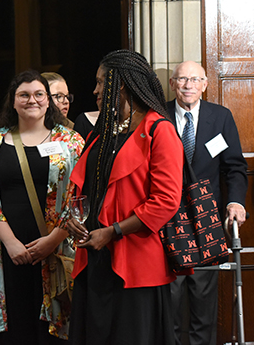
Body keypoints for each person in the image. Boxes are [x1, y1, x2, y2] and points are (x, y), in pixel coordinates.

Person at [66, 49, 184, 345]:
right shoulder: (101, 132)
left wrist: (113, 231)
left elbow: (166, 201)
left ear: (120, 84)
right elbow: (86, 185)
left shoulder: (159, 129)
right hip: (93, 256)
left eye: (101, 82)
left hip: (135, 262)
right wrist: (73, 218)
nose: (95, 91)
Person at [0, 70, 84, 344]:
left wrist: (52, 240)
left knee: (57, 333)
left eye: (38, 94)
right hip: (9, 255)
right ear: (13, 100)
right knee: (16, 332)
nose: (32, 100)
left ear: (48, 101)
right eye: (24, 95)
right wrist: (10, 243)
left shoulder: (71, 142)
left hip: (57, 252)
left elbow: (80, 197)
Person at [168, 61, 248, 345]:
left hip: (207, 221)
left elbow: (234, 168)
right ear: (172, 84)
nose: (188, 85)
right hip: (168, 222)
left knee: (203, 304)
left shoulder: (221, 117)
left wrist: (236, 202)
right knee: (170, 303)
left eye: (194, 79)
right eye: (182, 79)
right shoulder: (157, 116)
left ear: (204, 84)